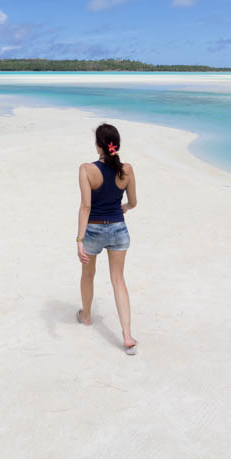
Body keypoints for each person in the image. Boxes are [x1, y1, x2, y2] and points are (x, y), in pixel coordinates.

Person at [75, 122, 138, 355]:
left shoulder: (86, 169)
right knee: (118, 279)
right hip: (118, 230)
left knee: (88, 274)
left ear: (98, 146)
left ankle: (87, 316)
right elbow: (133, 203)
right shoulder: (127, 170)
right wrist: (124, 208)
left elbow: (85, 206)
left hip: (93, 230)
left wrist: (79, 239)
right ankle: (127, 335)